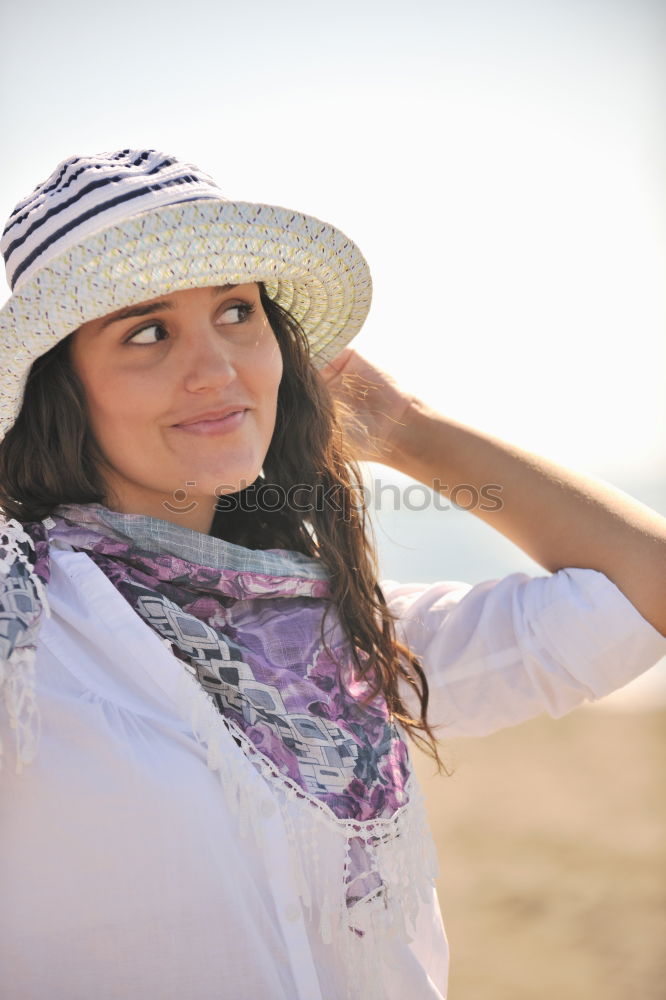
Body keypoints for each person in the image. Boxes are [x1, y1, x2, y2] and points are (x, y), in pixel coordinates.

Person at [0, 149, 664, 1000]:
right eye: (148, 332)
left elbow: (648, 588)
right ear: (61, 389)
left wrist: (408, 430)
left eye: (238, 313)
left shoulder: (343, 642)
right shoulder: (31, 624)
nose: (218, 369)